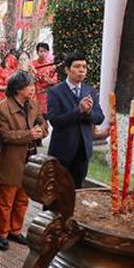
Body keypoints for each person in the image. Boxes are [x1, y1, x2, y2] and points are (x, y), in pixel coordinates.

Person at [0, 71, 48, 250]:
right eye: (29, 86)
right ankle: (2, 233)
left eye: (33, 85)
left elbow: (43, 124)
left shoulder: (33, 104)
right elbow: (3, 135)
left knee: (23, 199)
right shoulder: (2, 107)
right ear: (18, 89)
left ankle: (16, 230)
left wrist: (41, 130)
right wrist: (28, 134)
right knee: (6, 200)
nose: (33, 89)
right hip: (10, 160)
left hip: (30, 158)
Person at [47, 52, 104, 189]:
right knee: (57, 191)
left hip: (83, 151)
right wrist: (78, 111)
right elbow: (55, 120)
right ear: (67, 69)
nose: (81, 70)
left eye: (84, 67)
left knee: (77, 190)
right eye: (77, 66)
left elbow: (99, 117)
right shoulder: (56, 91)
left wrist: (88, 112)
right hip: (62, 150)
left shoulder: (89, 91)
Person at [32, 43, 58, 118]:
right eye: (41, 51)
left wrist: (37, 74)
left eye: (45, 51)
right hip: (33, 94)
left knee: (44, 119)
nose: (43, 53)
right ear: (37, 52)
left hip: (45, 96)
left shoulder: (51, 66)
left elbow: (54, 81)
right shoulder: (32, 64)